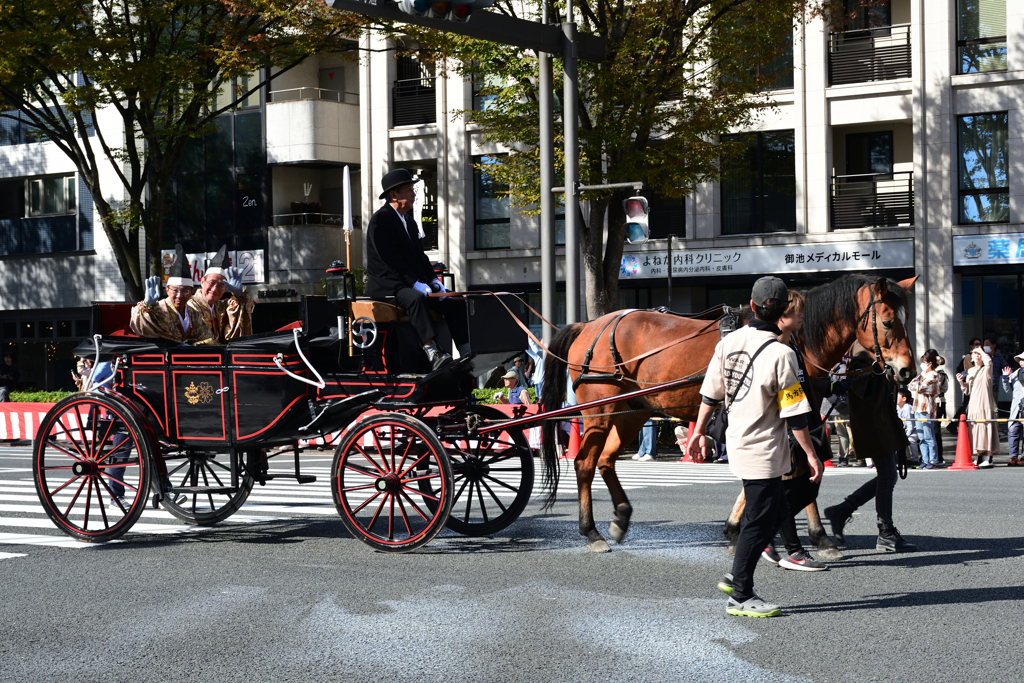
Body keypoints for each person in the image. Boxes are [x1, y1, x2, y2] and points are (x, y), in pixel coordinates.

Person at [688, 276, 821, 618]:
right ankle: (740, 595)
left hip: (738, 442)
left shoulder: (728, 343)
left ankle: (737, 575)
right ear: (781, 313)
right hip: (763, 448)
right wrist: (810, 453)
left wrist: (698, 433)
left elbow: (710, 393)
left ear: (751, 305)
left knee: (773, 511)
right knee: (759, 521)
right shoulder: (782, 354)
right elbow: (794, 412)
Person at [364, 168, 468, 371]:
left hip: (408, 282)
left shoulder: (410, 222)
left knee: (454, 303)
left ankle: (465, 349)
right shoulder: (380, 221)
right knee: (416, 299)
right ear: (394, 195)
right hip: (387, 285)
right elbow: (391, 261)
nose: (414, 195)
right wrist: (415, 283)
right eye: (409, 190)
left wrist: (433, 280)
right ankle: (431, 350)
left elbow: (420, 257)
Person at [763, 289, 828, 572]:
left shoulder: (794, 347)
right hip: (787, 432)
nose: (802, 315)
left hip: (802, 428)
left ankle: (768, 538)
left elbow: (802, 388)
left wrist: (835, 386)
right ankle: (793, 551)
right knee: (790, 492)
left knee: (805, 491)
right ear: (780, 316)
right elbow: (788, 399)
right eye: (796, 311)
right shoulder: (778, 350)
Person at [130, 244, 215, 345]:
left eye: (184, 291)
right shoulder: (157, 310)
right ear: (167, 290)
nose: (179, 295)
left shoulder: (194, 313)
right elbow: (139, 327)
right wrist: (147, 306)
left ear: (192, 292)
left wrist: (193, 346)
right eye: (175, 290)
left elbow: (207, 337)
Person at [187, 244, 255, 344]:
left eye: (221, 285)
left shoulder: (220, 306)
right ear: (202, 282)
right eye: (212, 283)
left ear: (225, 289)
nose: (214, 289)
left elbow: (244, 307)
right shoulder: (189, 306)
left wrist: (239, 295)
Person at [958, 346, 999, 468]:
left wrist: (982, 351)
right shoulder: (970, 371)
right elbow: (967, 391)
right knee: (974, 430)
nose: (977, 355)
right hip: (973, 405)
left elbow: (989, 362)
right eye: (974, 353)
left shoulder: (987, 369)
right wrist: (961, 383)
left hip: (984, 403)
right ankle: (979, 456)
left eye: (979, 354)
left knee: (987, 429)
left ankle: (989, 456)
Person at [907, 349, 941, 469]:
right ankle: (925, 460)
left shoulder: (934, 375)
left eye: (924, 362)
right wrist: (915, 384)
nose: (922, 364)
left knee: (928, 435)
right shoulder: (922, 374)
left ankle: (933, 460)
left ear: (929, 363)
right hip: (917, 407)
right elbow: (910, 384)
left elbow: (920, 387)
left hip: (927, 408)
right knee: (921, 436)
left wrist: (916, 385)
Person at [948, 338, 982, 434]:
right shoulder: (967, 358)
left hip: (979, 387)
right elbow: (961, 371)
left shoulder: (982, 358)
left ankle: (953, 424)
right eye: (976, 344)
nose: (978, 346)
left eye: (980, 344)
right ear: (971, 346)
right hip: (969, 386)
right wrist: (963, 382)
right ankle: (953, 424)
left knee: (966, 406)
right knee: (965, 406)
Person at [1001, 352, 1024, 466]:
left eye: (1023, 359)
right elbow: (1008, 390)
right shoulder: (1016, 373)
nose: (1021, 361)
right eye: (1020, 359)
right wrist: (1005, 378)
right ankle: (1013, 457)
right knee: (1013, 431)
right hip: (1017, 408)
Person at [896, 388, 920, 465]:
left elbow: (911, 425)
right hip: (904, 430)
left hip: (913, 429)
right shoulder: (897, 407)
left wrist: (906, 435)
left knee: (910, 440)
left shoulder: (907, 407)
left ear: (904, 398)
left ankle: (915, 459)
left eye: (897, 396)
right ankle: (906, 458)